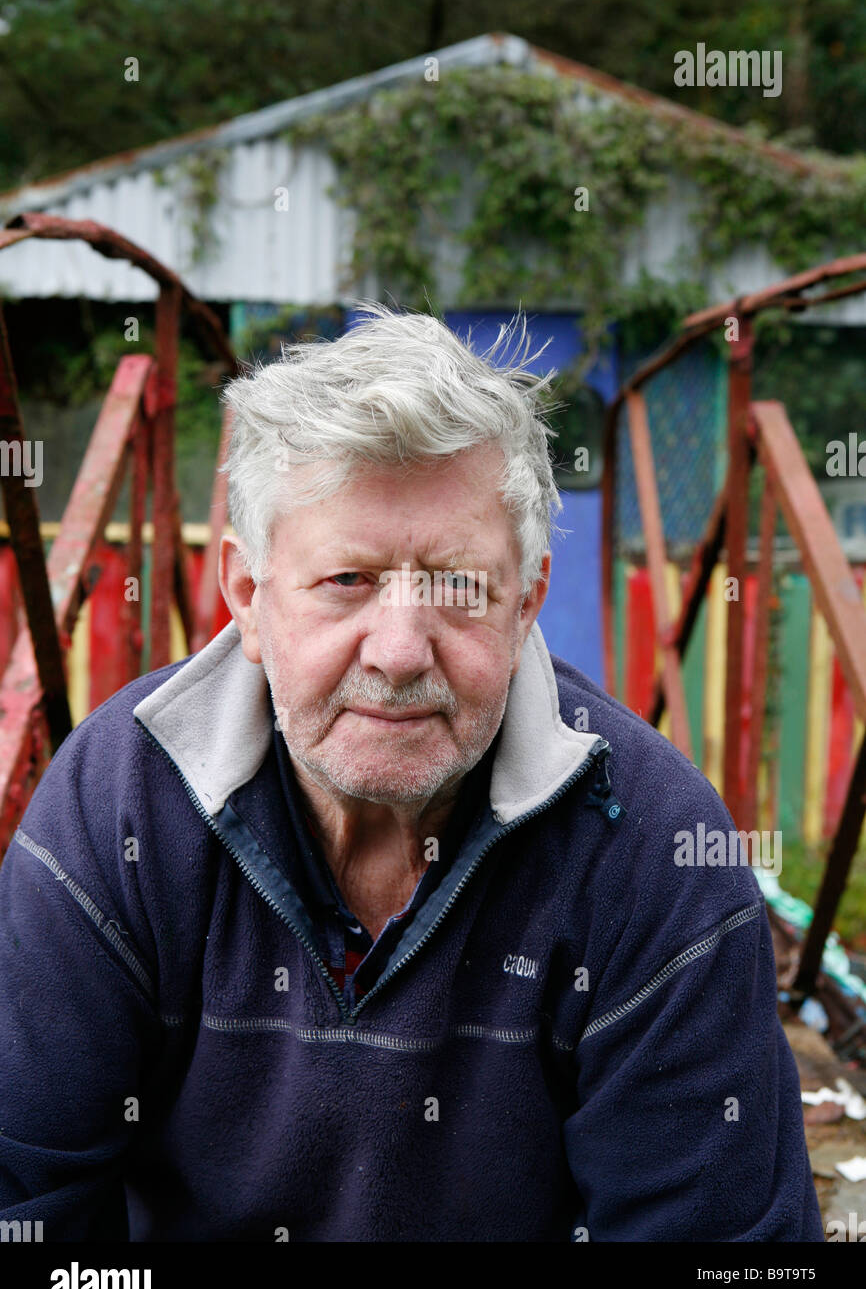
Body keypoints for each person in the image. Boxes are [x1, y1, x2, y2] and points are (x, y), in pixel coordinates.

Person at [0, 304, 823, 1241]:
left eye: (458, 584)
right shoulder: (115, 803)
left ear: (527, 603)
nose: (397, 652)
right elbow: (25, 1203)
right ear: (248, 597)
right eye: (346, 581)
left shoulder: (658, 848)